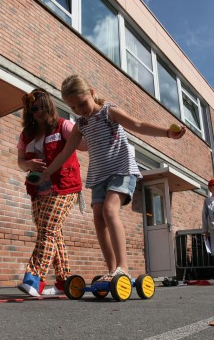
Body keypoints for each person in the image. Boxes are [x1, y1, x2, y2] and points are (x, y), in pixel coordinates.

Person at [35, 74, 186, 281]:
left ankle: (123, 267)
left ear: (92, 93)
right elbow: (64, 153)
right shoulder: (81, 125)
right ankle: (112, 269)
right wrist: (46, 172)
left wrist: (168, 133)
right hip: (98, 176)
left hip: (121, 170)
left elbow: (138, 125)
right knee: (98, 220)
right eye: (74, 108)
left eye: (82, 104)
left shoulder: (109, 112)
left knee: (109, 210)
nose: (80, 111)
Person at [16, 88, 85, 297]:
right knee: (53, 233)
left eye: (41, 107)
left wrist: (88, 127)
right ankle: (64, 282)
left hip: (63, 186)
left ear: (49, 106)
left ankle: (34, 278)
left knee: (47, 230)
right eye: (33, 108)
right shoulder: (26, 135)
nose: (38, 112)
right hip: (38, 191)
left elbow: (82, 144)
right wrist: (27, 163)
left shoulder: (63, 125)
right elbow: (20, 162)